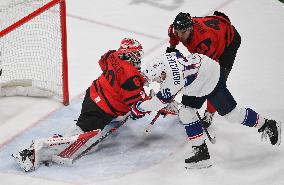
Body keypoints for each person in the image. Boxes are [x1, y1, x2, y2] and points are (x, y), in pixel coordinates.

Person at [12, 38, 147, 172]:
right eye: (136, 54)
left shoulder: (112, 54)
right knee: (81, 140)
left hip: (92, 96)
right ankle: (33, 154)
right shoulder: (131, 76)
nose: (138, 58)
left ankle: (115, 116)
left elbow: (103, 62)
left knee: (116, 112)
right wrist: (151, 100)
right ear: (128, 54)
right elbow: (138, 108)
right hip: (100, 111)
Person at [130, 51, 281, 169]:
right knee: (186, 112)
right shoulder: (162, 60)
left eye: (158, 79)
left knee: (232, 115)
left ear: (163, 73)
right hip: (198, 76)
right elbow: (177, 56)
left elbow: (158, 103)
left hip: (210, 79)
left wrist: (139, 107)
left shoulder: (173, 80)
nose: (157, 81)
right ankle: (201, 151)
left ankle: (268, 124)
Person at [167, 11, 241, 128]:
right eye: (178, 32)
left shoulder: (203, 43)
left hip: (229, 42)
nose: (179, 36)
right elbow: (173, 36)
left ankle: (209, 113)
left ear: (190, 29)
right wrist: (171, 49)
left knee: (216, 83)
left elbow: (212, 71)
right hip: (215, 32)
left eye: (183, 33)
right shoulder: (174, 29)